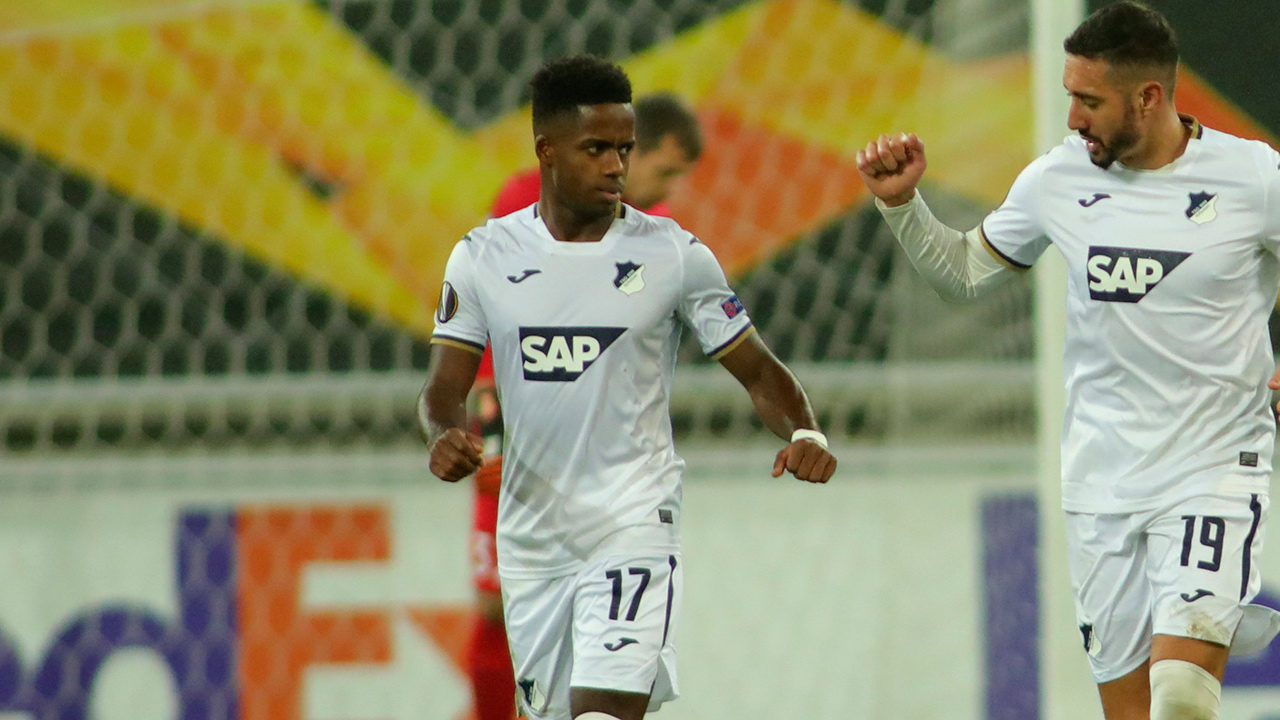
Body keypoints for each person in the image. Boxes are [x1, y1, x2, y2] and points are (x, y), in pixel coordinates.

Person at [855, 3, 1280, 718]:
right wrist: (904, 208)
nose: (1074, 118)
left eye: (1089, 101)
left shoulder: (1254, 178)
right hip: (1100, 479)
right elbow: (964, 273)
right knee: (1131, 710)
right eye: (1070, 98)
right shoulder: (1055, 180)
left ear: (1148, 98)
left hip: (1214, 468)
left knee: (1179, 692)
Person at [420, 54, 836, 720]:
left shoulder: (673, 255)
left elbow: (758, 369)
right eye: (596, 149)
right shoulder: (484, 256)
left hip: (632, 523)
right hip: (532, 537)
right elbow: (444, 386)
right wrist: (444, 435)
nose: (616, 165)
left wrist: (804, 429)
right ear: (546, 152)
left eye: (624, 148)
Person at [466, 92, 704, 720]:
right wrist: (488, 411)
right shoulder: (525, 200)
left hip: (602, 459)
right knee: (498, 602)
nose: (669, 189)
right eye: (665, 170)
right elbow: (492, 313)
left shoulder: (653, 236)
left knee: (597, 614)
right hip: (518, 432)